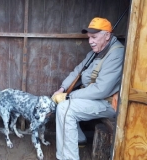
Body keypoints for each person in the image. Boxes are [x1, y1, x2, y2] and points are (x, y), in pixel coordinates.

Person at [52, 17, 125, 160]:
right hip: (94, 99)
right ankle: (78, 139)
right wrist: (62, 89)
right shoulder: (94, 53)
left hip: (109, 103)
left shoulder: (117, 54)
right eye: (89, 37)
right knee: (59, 103)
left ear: (107, 36)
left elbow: (101, 90)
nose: (90, 41)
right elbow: (77, 72)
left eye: (94, 37)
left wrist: (69, 96)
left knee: (66, 108)